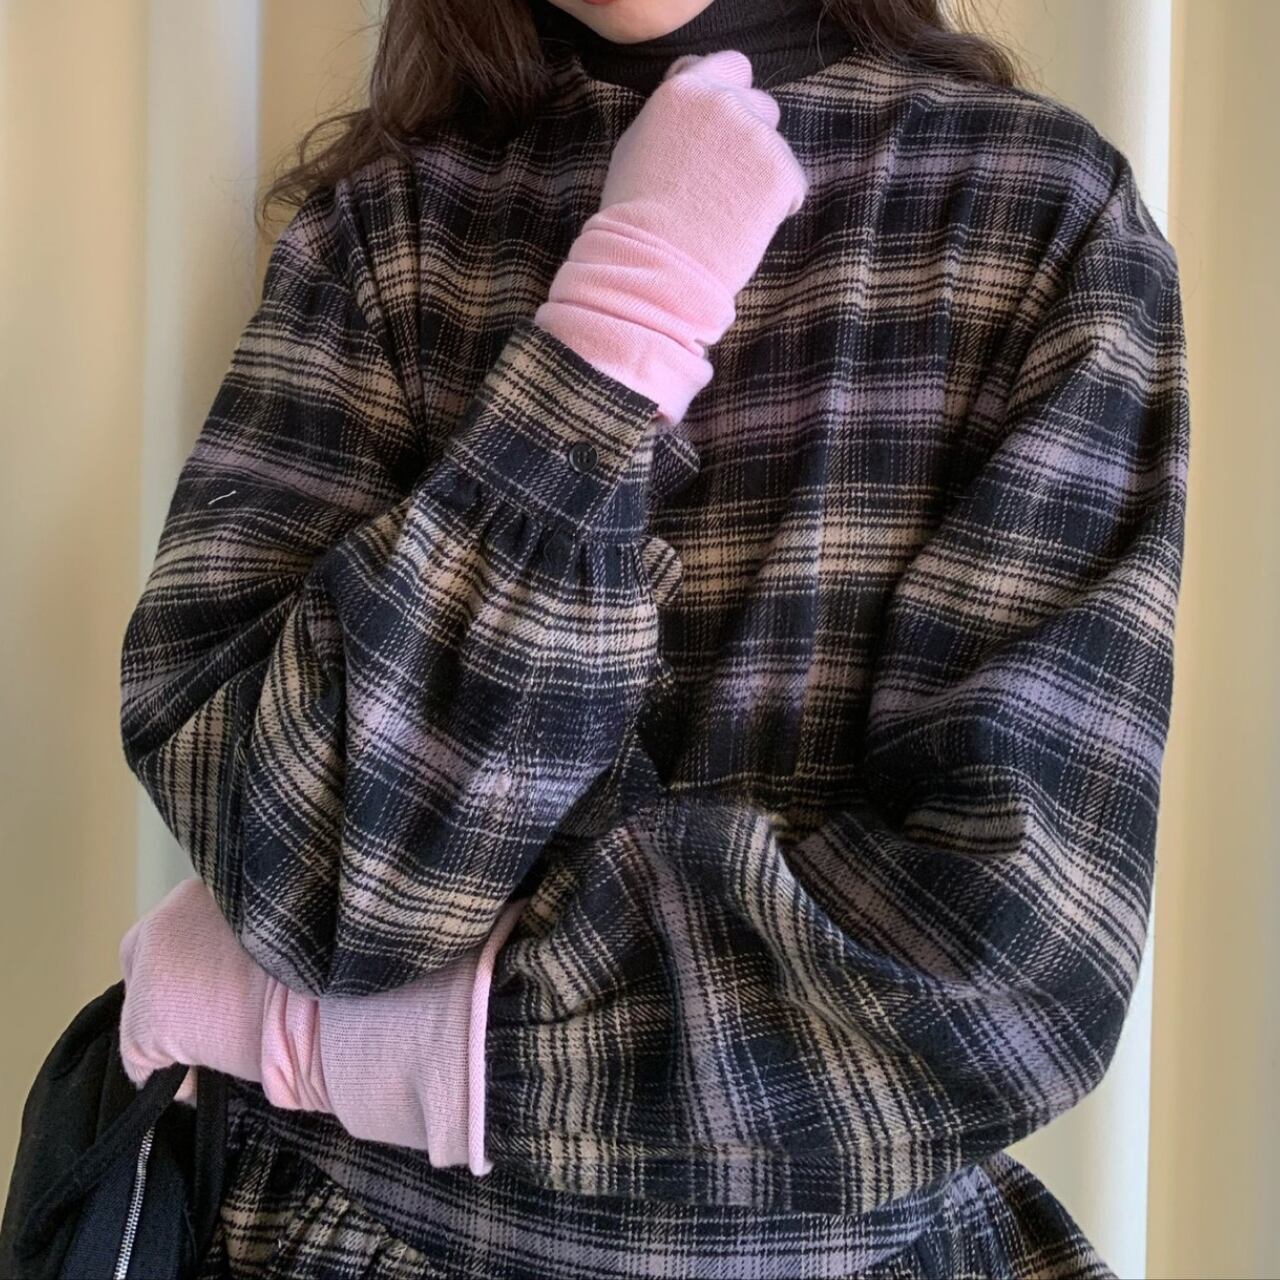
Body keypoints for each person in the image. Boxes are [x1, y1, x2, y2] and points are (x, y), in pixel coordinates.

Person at [114, 0, 1191, 1276]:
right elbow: (319, 881)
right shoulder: (389, 227)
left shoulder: (1036, 217)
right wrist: (619, 329)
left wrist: (342, 1040)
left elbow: (995, 986)